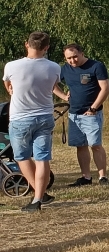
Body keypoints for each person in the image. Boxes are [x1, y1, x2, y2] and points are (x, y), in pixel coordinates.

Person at [3, 32, 62, 212]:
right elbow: (53, 86)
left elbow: (8, 86)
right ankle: (39, 197)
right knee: (42, 157)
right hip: (44, 116)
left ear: (26, 44)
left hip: (20, 118)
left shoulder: (12, 66)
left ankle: (38, 193)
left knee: (22, 157)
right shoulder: (54, 67)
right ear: (46, 48)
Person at [56, 43, 109, 185]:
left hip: (91, 114)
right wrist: (64, 96)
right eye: (69, 58)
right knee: (80, 145)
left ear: (82, 53)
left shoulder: (96, 66)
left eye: (75, 57)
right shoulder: (64, 69)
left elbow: (105, 89)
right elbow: (51, 84)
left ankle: (102, 176)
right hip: (74, 114)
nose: (72, 61)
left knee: (95, 145)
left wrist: (93, 108)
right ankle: (86, 177)